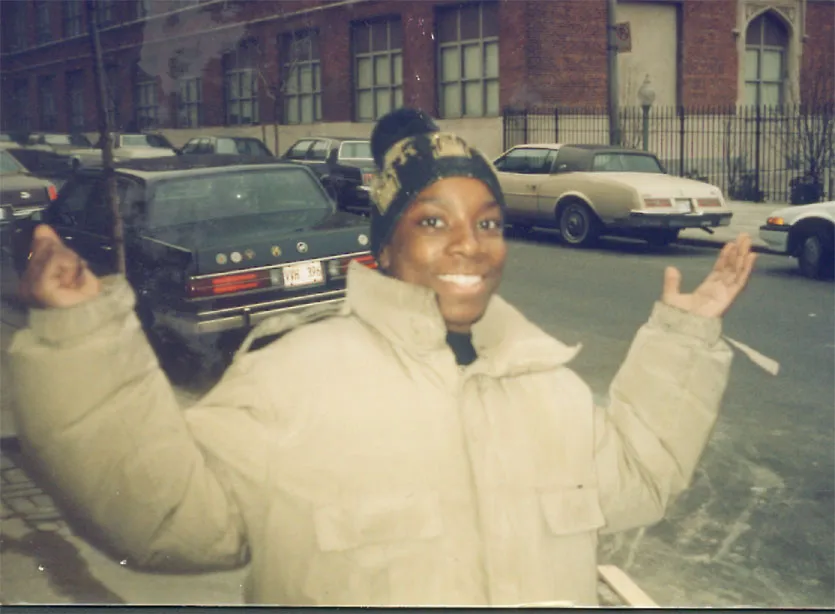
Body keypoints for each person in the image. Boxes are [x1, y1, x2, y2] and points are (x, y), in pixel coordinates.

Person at [9, 108, 759, 606]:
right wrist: (84, 339)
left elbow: (638, 480)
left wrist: (681, 341)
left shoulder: (545, 384)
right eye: (433, 220)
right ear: (385, 245)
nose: (470, 244)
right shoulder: (294, 379)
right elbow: (166, 520)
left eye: (489, 221)